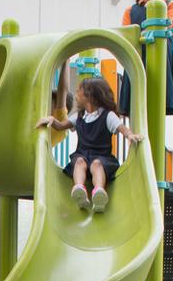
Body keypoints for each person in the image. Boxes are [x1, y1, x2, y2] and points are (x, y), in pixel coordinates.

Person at [35, 76, 139, 214]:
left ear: (90, 96)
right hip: (83, 155)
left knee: (97, 164)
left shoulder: (108, 116)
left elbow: (121, 128)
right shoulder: (80, 116)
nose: (76, 94)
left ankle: (99, 192)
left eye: (79, 91)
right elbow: (61, 126)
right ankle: (79, 189)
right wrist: (52, 120)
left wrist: (130, 135)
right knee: (78, 162)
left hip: (102, 157)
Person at [117, 0, 173, 117]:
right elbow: (125, 33)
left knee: (158, 98)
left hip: (161, 58)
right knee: (137, 103)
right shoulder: (131, 10)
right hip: (138, 56)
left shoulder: (171, 5)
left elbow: (170, 25)